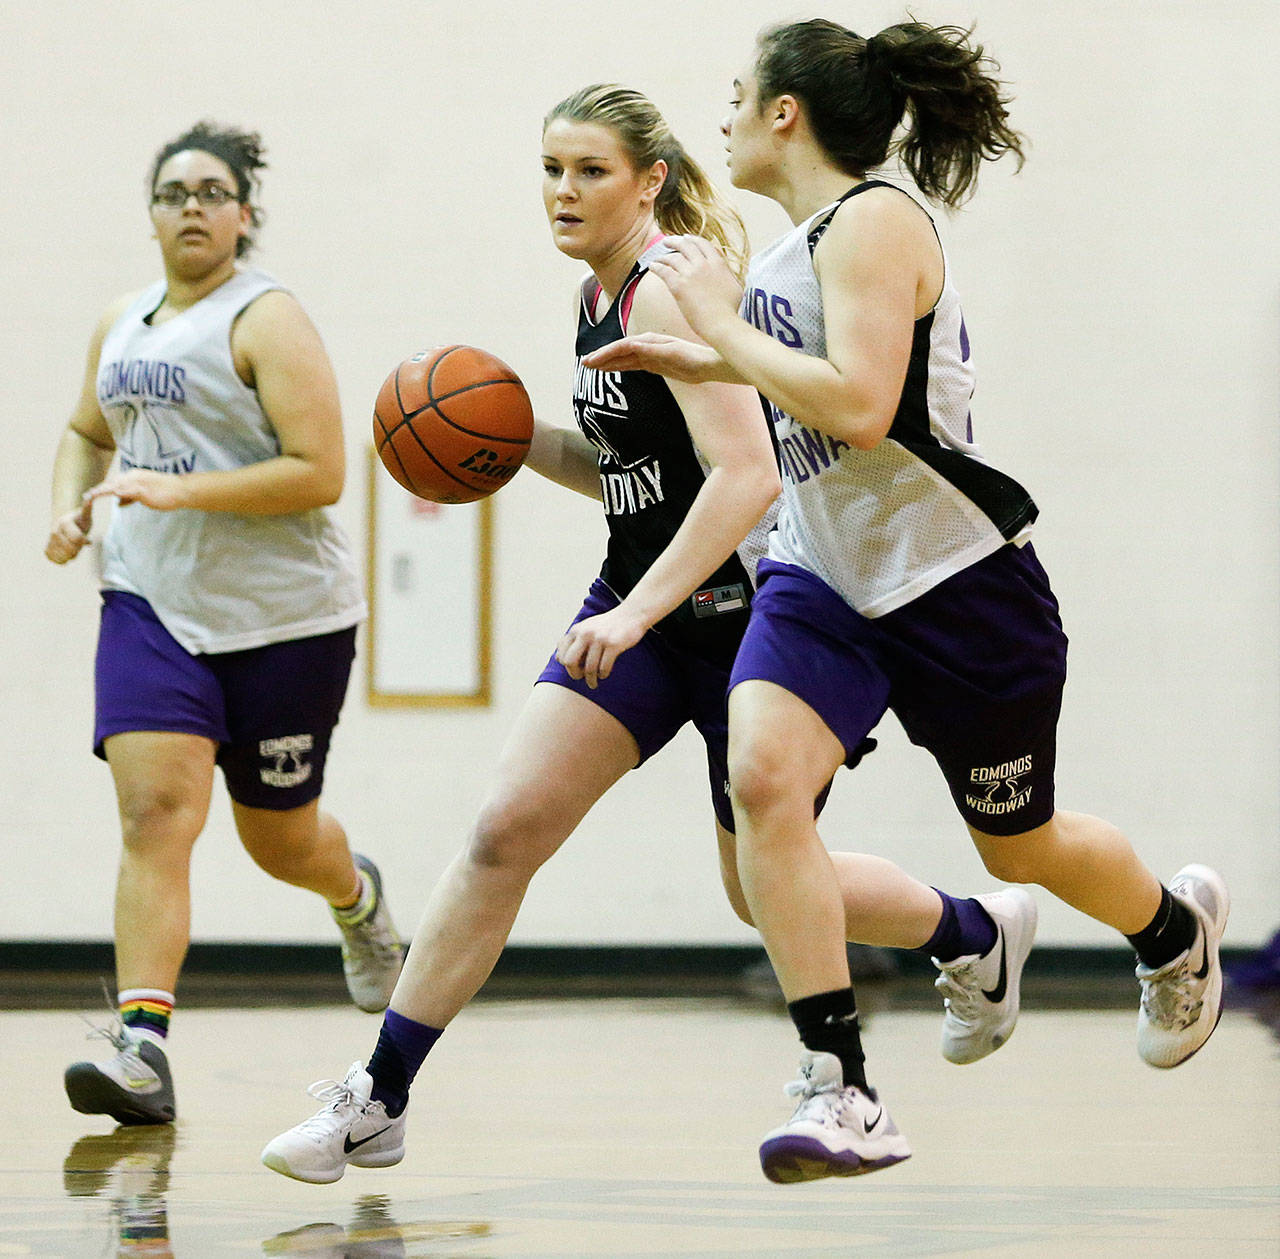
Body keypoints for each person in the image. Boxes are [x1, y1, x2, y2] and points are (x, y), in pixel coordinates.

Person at [260, 83, 1030, 1186]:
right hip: (645, 602)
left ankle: (969, 931)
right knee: (503, 827)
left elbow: (745, 476)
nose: (563, 192)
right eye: (550, 170)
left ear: (649, 179)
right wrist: (520, 437)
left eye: (589, 171)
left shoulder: (668, 293)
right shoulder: (596, 294)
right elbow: (637, 479)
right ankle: (376, 1095)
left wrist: (630, 615)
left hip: (742, 613)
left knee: (756, 886)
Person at [585, 19, 1229, 1183]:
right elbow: (805, 376)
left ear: (785, 113)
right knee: (762, 777)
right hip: (822, 573)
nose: (721, 114)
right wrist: (709, 362)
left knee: (1020, 841)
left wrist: (721, 327)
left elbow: (862, 405)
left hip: (955, 582)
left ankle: (1172, 932)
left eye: (736, 95)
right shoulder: (789, 254)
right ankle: (840, 1085)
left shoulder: (875, 220)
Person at [46, 121, 403, 1127]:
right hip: (151, 602)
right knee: (156, 815)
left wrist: (180, 489)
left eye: (213, 190)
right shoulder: (122, 321)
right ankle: (141, 1048)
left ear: (245, 214)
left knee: (279, 840)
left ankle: (355, 896)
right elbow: (84, 431)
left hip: (284, 617)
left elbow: (320, 471)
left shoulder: (266, 317)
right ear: (152, 213)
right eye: (174, 191)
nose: (192, 205)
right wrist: (70, 506)